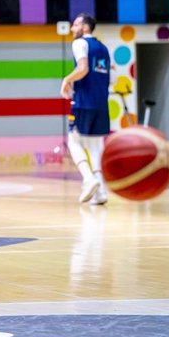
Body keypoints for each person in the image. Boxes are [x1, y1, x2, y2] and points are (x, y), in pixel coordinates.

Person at [60, 13, 110, 205]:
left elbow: (83, 68)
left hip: (83, 103)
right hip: (101, 104)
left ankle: (89, 180)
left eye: (75, 25)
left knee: (74, 142)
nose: (72, 28)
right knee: (95, 146)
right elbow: (109, 79)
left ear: (85, 27)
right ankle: (101, 192)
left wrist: (67, 79)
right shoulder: (104, 48)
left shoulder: (80, 43)